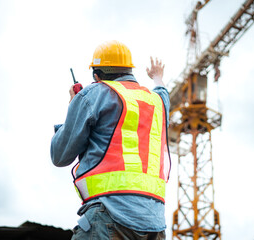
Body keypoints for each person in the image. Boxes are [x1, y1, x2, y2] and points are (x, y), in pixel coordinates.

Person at [50, 40, 171, 240]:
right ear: (129, 70)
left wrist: (74, 107)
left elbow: (60, 155)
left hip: (108, 217)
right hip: (155, 226)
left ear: (96, 75)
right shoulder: (157, 102)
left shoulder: (94, 94)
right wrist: (157, 77)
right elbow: (162, 92)